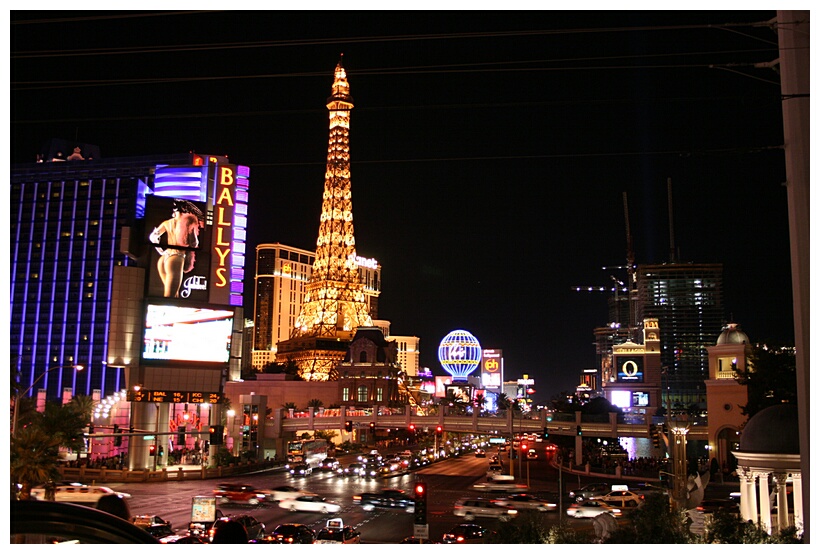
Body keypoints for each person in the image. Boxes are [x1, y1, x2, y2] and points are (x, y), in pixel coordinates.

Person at [149, 200, 204, 297]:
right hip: (176, 258)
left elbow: (153, 237)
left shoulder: (167, 223)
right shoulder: (188, 222)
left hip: (163, 260)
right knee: (170, 296)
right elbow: (194, 243)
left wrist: (161, 252)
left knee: (174, 296)